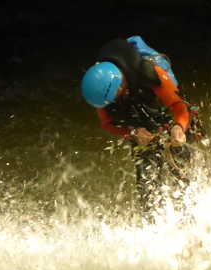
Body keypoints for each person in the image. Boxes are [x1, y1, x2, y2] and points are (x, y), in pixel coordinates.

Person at [80, 35, 198, 218]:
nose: (111, 103)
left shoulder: (150, 73)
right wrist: (133, 132)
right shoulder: (101, 92)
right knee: (146, 184)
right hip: (139, 127)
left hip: (166, 115)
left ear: (120, 87)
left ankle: (190, 213)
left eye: (115, 98)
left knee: (180, 170)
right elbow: (107, 124)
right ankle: (152, 222)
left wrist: (178, 127)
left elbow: (179, 107)